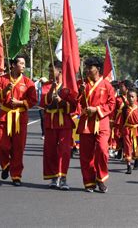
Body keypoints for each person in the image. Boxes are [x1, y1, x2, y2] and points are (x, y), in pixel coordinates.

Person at [0, 56, 37, 186]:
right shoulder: (2, 79)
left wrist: (20, 102)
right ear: (13, 65)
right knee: (1, 143)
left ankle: (16, 175)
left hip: (20, 118)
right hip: (5, 115)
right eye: (21, 63)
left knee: (18, 148)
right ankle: (5, 165)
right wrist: (6, 90)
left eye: (24, 64)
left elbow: (33, 100)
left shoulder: (28, 82)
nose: (23, 66)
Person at [77, 57, 116, 193]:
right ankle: (89, 182)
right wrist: (80, 93)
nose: (87, 70)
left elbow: (111, 104)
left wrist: (97, 109)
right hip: (86, 122)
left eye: (90, 67)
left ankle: (101, 177)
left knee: (102, 150)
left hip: (102, 122)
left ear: (97, 69)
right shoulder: (81, 84)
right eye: (86, 67)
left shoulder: (107, 85)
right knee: (86, 154)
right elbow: (75, 103)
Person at [41, 61, 77, 190]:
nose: (50, 74)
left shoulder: (69, 86)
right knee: (50, 151)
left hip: (64, 123)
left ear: (60, 71)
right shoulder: (46, 85)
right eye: (49, 71)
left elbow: (73, 106)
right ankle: (53, 177)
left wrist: (61, 102)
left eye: (52, 71)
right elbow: (44, 102)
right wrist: (52, 89)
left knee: (64, 151)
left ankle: (63, 177)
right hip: (50, 122)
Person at [122, 88, 138, 174]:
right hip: (127, 130)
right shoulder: (124, 108)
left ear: (136, 98)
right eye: (129, 97)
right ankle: (128, 165)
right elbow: (121, 121)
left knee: (136, 146)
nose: (131, 99)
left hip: (136, 130)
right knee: (127, 147)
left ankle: (136, 160)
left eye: (133, 97)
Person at [111, 80, 130, 159]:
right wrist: (112, 119)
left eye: (122, 87)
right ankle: (119, 150)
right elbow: (113, 110)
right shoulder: (117, 98)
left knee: (126, 137)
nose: (120, 88)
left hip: (127, 120)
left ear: (127, 88)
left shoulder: (131, 97)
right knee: (117, 135)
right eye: (120, 87)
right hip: (118, 120)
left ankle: (126, 153)